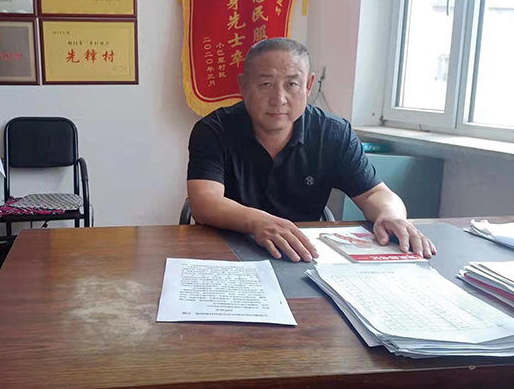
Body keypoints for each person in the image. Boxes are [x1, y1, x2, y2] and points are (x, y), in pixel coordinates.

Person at [186, 37, 436, 263]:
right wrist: (258, 222)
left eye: (292, 84)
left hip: (302, 254)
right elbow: (205, 202)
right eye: (265, 84)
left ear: (308, 85)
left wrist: (391, 215)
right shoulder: (214, 130)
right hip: (226, 250)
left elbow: (375, 193)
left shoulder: (333, 133)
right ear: (243, 85)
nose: (279, 98)